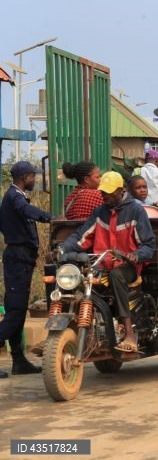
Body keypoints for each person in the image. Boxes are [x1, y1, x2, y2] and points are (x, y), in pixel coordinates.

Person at [61, 171, 156, 353]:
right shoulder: (100, 212)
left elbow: (149, 244)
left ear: (121, 191)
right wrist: (63, 249)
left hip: (127, 266)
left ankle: (129, 333)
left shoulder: (136, 211)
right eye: (103, 192)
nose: (104, 196)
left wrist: (136, 255)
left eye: (109, 192)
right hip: (101, 264)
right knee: (70, 274)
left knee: (116, 275)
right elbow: (82, 237)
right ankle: (64, 334)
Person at [0, 162, 51, 378]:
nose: (35, 180)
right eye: (33, 177)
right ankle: (18, 359)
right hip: (18, 257)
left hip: (22, 257)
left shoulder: (15, 196)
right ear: (25, 177)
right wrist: (48, 216)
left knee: (18, 309)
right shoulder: (15, 197)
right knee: (15, 311)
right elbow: (26, 210)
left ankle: (19, 361)